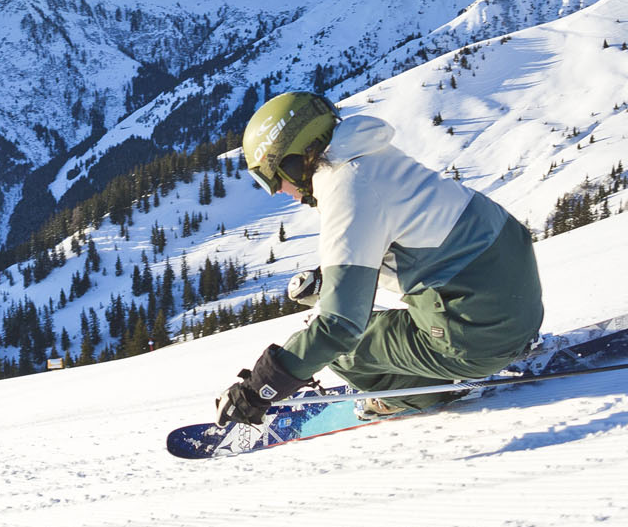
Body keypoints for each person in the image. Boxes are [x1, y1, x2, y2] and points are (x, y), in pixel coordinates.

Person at [217, 92, 545, 426]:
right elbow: (409, 241)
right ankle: (498, 347)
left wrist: (259, 389)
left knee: (344, 352)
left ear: (292, 158)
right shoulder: (369, 156)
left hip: (477, 334)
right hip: (512, 299)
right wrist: (331, 280)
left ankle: (424, 392)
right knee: (362, 325)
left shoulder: (346, 188)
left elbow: (339, 327)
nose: (278, 191)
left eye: (271, 177)